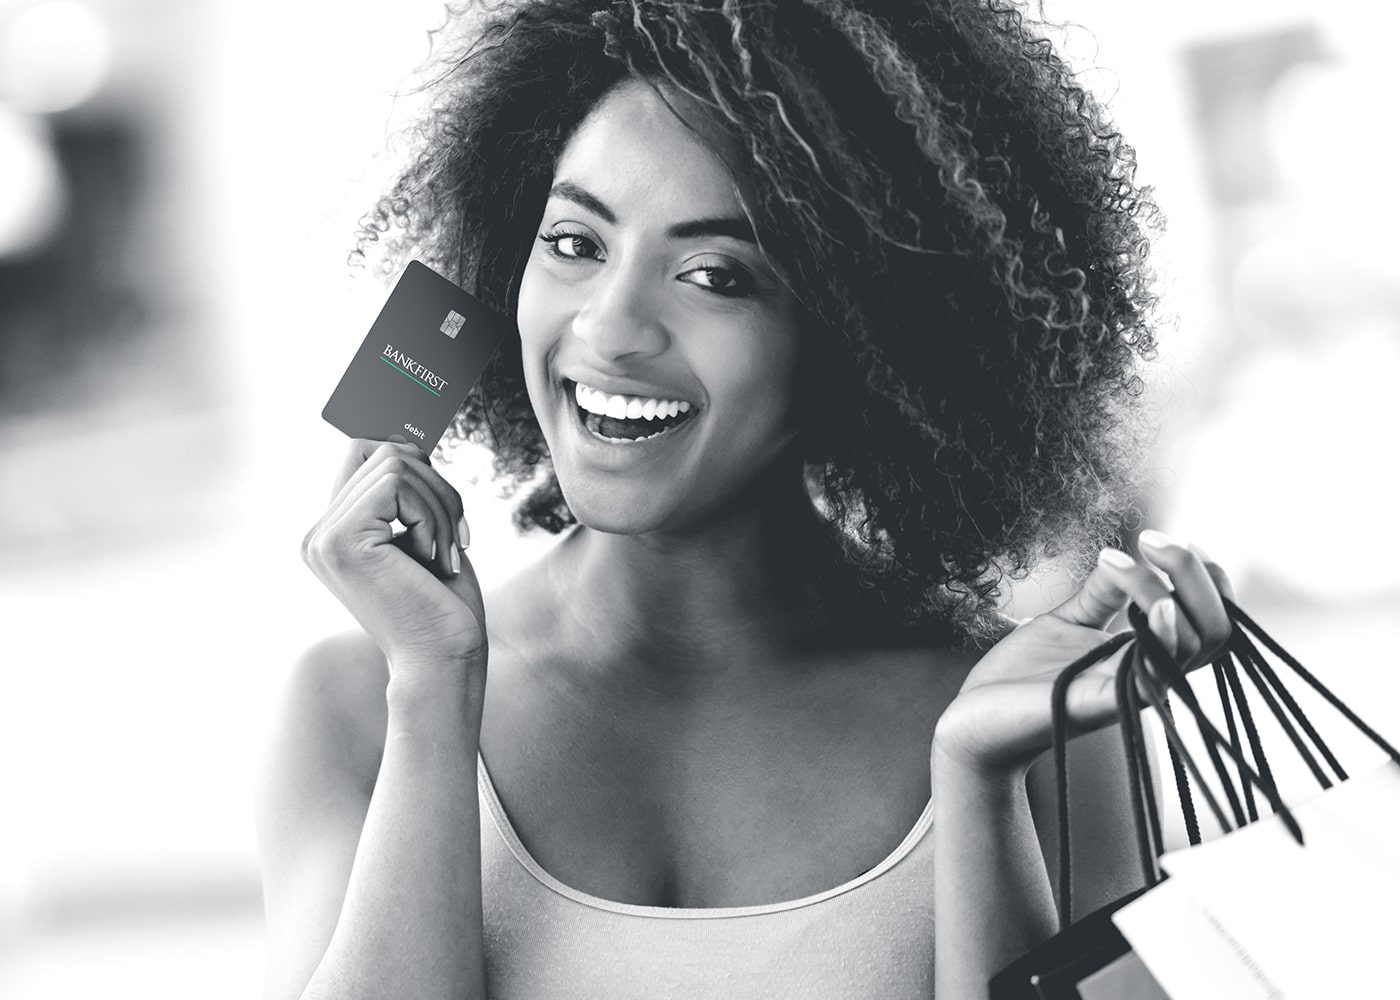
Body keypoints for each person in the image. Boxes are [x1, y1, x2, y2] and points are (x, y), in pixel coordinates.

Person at [258, 2, 1236, 997]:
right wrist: (431, 688)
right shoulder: (356, 706)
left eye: (714, 273)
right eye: (574, 242)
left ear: (859, 332)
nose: (610, 326)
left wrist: (978, 780)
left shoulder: (1034, 720)